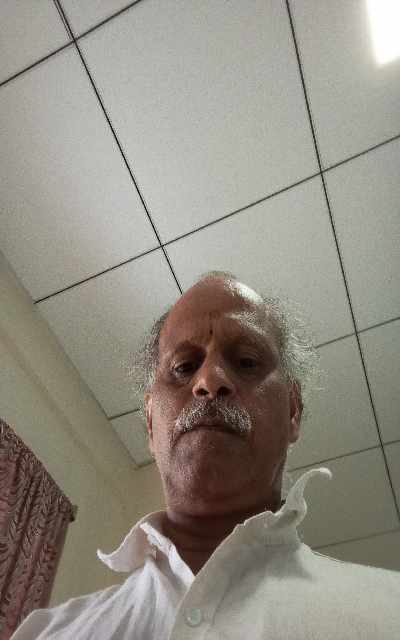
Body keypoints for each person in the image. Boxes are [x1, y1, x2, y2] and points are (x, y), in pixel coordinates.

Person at [11, 273, 400, 639]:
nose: (210, 380)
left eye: (246, 362)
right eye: (183, 367)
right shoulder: (47, 633)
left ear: (293, 411)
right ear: (150, 421)